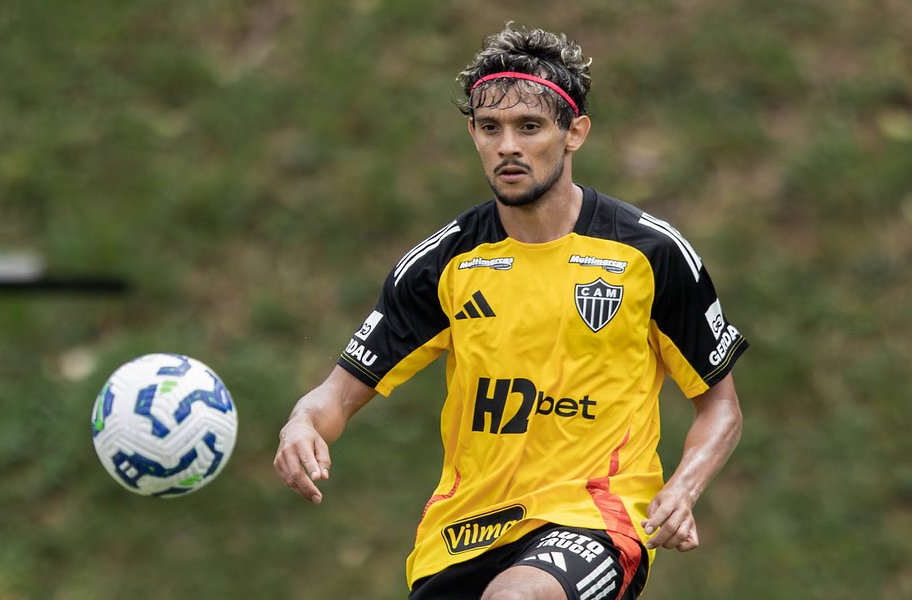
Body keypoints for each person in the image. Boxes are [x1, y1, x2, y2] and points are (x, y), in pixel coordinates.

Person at [274, 23, 746, 600]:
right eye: (490, 128)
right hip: (462, 533)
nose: (508, 147)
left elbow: (720, 405)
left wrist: (682, 490)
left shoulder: (649, 254)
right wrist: (302, 423)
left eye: (530, 127)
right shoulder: (442, 264)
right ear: (471, 132)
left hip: (595, 514)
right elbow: (336, 396)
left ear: (575, 132)